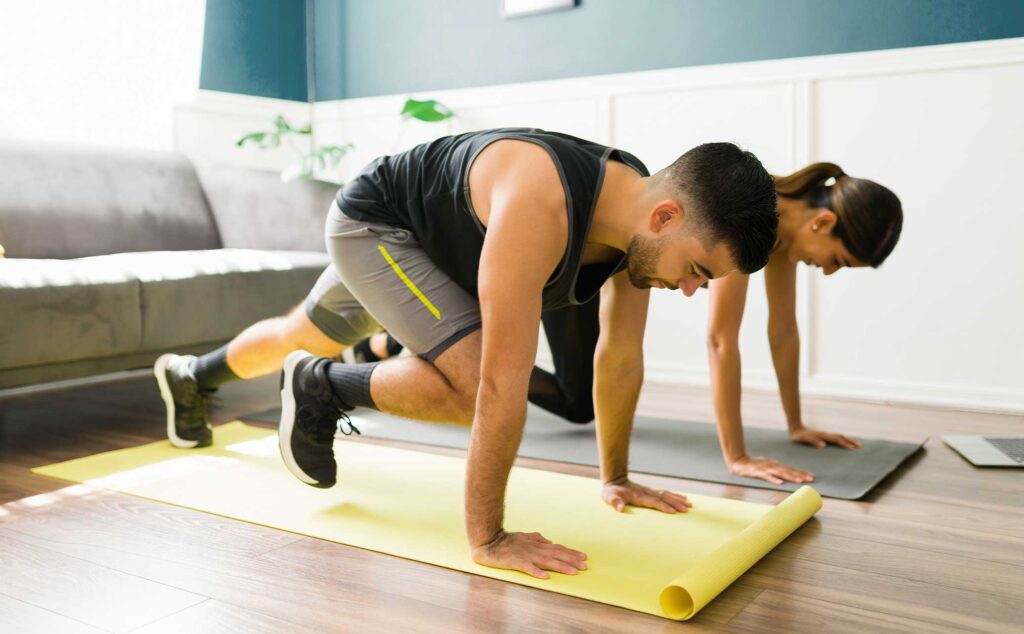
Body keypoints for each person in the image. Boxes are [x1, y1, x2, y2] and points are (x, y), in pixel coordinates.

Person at [156, 128, 779, 578]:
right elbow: (497, 390)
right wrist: (489, 538)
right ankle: (319, 386)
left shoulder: (637, 224)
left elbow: (619, 357)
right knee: (472, 387)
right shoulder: (544, 204)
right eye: (698, 270)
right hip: (381, 228)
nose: (693, 289)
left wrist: (613, 478)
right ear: (666, 216)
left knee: (303, 329)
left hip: (436, 251)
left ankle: (192, 377)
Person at [707, 163, 902, 484]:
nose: (827, 271)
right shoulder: (749, 213)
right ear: (823, 222)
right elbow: (719, 340)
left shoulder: (783, 230)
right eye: (837, 260)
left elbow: (783, 330)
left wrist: (796, 425)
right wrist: (737, 457)